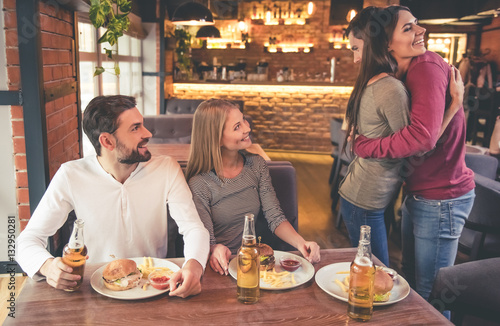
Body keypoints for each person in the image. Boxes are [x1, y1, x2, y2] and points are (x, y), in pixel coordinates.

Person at [16, 95, 210, 298]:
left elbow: (193, 228)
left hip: (156, 289)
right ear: (107, 141)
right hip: (94, 291)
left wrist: (194, 267)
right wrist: (47, 267)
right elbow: (26, 241)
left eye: (142, 125)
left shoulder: (167, 168)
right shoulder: (71, 175)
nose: (148, 133)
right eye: (135, 128)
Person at [351, 6, 475, 301]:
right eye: (408, 28)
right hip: (421, 192)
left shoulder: (426, 67)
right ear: (387, 43)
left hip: (441, 196)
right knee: (413, 285)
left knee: (431, 294)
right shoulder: (401, 73)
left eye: (416, 25)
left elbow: (422, 138)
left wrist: (366, 146)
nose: (421, 31)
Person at [185, 99, 320, 275]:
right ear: (216, 139)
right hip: (219, 268)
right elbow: (205, 238)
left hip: (254, 264)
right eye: (237, 127)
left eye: (244, 121)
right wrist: (213, 248)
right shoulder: (201, 182)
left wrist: (301, 243)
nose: (247, 129)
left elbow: (275, 216)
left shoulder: (256, 165)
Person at [338, 6, 410, 267]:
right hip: (364, 200)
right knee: (377, 276)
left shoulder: (381, 84)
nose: (355, 59)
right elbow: (414, 145)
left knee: (373, 275)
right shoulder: (389, 87)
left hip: (363, 197)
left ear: (372, 44)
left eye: (356, 48)